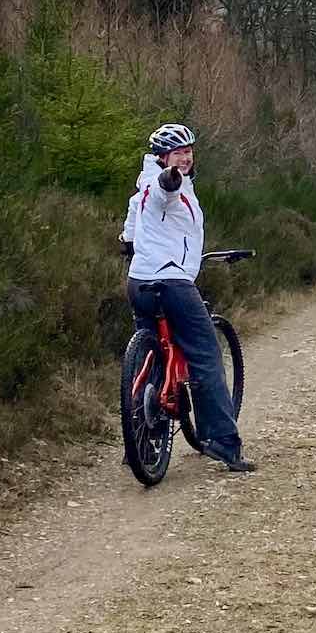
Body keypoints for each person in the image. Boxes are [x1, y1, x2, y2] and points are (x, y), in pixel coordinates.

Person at [119, 123, 255, 473]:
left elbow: (130, 237)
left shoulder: (140, 192)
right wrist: (169, 179)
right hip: (172, 281)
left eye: (189, 151)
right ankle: (223, 442)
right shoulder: (162, 183)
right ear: (162, 157)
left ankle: (140, 442)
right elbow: (165, 189)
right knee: (206, 354)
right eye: (178, 152)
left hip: (140, 281)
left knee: (151, 357)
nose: (186, 157)